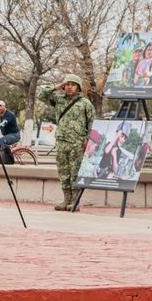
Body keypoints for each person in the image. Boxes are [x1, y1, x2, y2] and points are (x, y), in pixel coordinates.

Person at [37, 73, 94, 212]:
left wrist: (88, 139)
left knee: (75, 172)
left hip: (77, 142)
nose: (69, 87)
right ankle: (66, 200)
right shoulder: (58, 99)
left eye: (72, 84)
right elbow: (41, 95)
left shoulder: (85, 103)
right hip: (62, 141)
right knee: (63, 172)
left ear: (78, 87)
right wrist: (56, 87)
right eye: (67, 84)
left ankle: (75, 201)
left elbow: (92, 122)